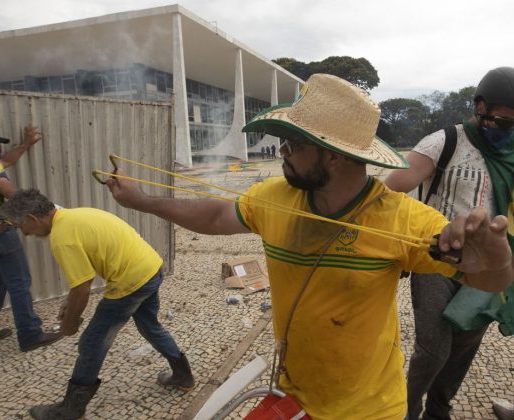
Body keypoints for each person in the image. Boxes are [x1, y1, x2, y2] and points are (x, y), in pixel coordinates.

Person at [106, 74, 513, 419]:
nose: (281, 149)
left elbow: (487, 277)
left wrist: (497, 258)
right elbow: (215, 217)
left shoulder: (403, 219)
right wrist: (142, 200)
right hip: (295, 394)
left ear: (334, 156)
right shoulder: (275, 197)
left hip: (369, 409)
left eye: (294, 143)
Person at [384, 66, 514, 420]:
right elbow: (389, 189)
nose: (509, 132)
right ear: (481, 108)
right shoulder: (445, 141)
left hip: (486, 262)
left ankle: (438, 410)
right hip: (437, 257)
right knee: (434, 349)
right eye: (502, 122)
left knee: (465, 346)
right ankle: (406, 410)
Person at [2, 189, 194, 420]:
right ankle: (183, 376)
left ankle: (70, 409)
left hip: (131, 281)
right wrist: (69, 303)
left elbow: (83, 288)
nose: (24, 233)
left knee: (92, 341)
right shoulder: (75, 215)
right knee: (149, 326)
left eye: (21, 226)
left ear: (32, 218)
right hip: (151, 268)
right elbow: (81, 281)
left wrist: (70, 323)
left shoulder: (62, 237)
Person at [0, 125, 62, 352]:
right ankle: (30, 335)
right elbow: (6, 189)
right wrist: (45, 208)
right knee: (19, 283)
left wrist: (25, 145)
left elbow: (6, 160)